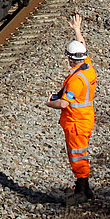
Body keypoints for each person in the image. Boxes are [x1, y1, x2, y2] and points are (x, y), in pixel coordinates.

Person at [45, 11, 97, 204]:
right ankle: (84, 188)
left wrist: (49, 102)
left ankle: (82, 191)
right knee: (79, 154)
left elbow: (65, 103)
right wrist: (77, 30)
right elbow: (83, 47)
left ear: (69, 59)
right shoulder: (87, 67)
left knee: (77, 156)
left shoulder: (76, 80)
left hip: (77, 122)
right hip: (84, 118)